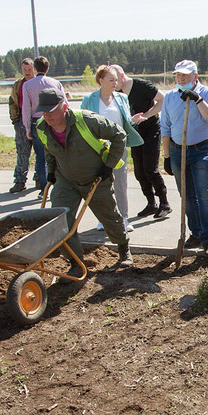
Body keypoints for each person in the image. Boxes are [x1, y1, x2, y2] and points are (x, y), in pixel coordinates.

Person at [34, 88, 132, 275]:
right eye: (44, 111)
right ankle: (76, 262)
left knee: (109, 216)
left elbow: (119, 135)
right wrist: (51, 172)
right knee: (60, 221)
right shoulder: (42, 127)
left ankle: (123, 248)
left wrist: (109, 165)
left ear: (64, 106)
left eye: (52, 110)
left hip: (95, 178)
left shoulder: (86, 120)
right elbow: (49, 150)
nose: (47, 115)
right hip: (66, 181)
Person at [161, 60, 208, 255]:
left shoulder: (207, 94)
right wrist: (167, 156)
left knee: (204, 195)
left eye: (185, 75)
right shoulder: (170, 97)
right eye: (178, 75)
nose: (181, 78)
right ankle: (195, 233)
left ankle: (207, 238)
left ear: (195, 77)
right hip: (178, 151)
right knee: (186, 195)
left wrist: (198, 100)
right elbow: (165, 127)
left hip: (201, 150)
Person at [81, 66, 143, 233]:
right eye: (111, 80)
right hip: (98, 149)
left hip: (118, 147)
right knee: (102, 185)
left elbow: (126, 121)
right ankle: (104, 219)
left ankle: (124, 217)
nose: (115, 83)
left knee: (120, 184)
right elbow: (83, 121)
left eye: (116, 79)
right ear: (101, 81)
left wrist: (133, 120)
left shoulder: (121, 98)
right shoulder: (89, 99)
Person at [110, 64, 171, 219]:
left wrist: (147, 115)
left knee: (150, 169)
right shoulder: (116, 92)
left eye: (115, 80)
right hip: (135, 133)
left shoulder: (141, 85)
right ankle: (151, 204)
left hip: (151, 130)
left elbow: (163, 100)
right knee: (139, 172)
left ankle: (164, 203)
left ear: (122, 76)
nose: (114, 84)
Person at [22, 56, 69, 194]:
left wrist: (27, 127)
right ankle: (61, 185)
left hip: (37, 122)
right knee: (57, 154)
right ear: (47, 69)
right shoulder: (55, 83)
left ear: (35, 69)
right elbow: (65, 103)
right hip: (56, 122)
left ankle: (44, 188)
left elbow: (26, 108)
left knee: (41, 157)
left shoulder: (28, 85)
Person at [7, 57, 36, 193]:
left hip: (37, 121)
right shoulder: (18, 84)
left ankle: (40, 178)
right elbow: (12, 101)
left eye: (29, 69)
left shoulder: (38, 83)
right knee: (22, 153)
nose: (27, 72)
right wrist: (15, 120)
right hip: (21, 123)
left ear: (34, 69)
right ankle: (19, 181)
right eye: (25, 70)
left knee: (41, 153)